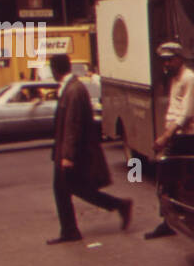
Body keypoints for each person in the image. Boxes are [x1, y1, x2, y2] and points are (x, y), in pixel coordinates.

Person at [48, 53, 132, 243]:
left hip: (73, 154)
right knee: (75, 189)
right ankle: (119, 205)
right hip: (66, 151)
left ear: (55, 70)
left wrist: (68, 155)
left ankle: (70, 231)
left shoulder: (74, 90)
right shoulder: (70, 88)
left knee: (65, 189)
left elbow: (73, 124)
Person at [144, 42, 194, 240]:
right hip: (178, 136)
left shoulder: (189, 79)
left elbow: (185, 114)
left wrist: (165, 137)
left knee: (173, 178)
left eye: (170, 59)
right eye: (164, 60)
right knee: (169, 181)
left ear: (180, 58)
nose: (167, 63)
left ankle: (180, 220)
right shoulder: (174, 78)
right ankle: (170, 219)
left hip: (188, 137)